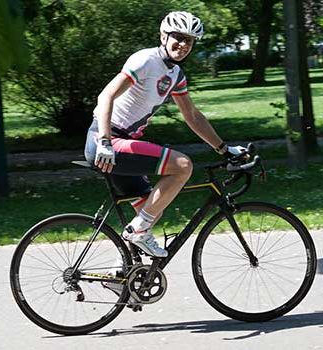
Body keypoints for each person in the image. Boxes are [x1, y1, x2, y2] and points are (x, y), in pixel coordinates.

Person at [85, 11, 247, 258]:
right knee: (182, 166)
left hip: (121, 144)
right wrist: (105, 142)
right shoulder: (145, 61)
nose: (182, 45)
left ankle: (123, 275)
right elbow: (105, 96)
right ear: (164, 35)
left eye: (189, 41)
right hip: (107, 142)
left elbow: (192, 116)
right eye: (178, 37)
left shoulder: (175, 75)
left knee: (151, 209)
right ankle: (137, 232)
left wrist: (225, 149)